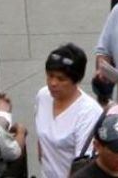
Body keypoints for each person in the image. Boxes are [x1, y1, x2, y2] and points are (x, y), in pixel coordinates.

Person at [31, 45, 102, 178]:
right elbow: (42, 142)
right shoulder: (43, 96)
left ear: (76, 80)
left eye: (61, 79)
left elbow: (83, 166)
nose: (53, 83)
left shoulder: (89, 113)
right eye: (50, 76)